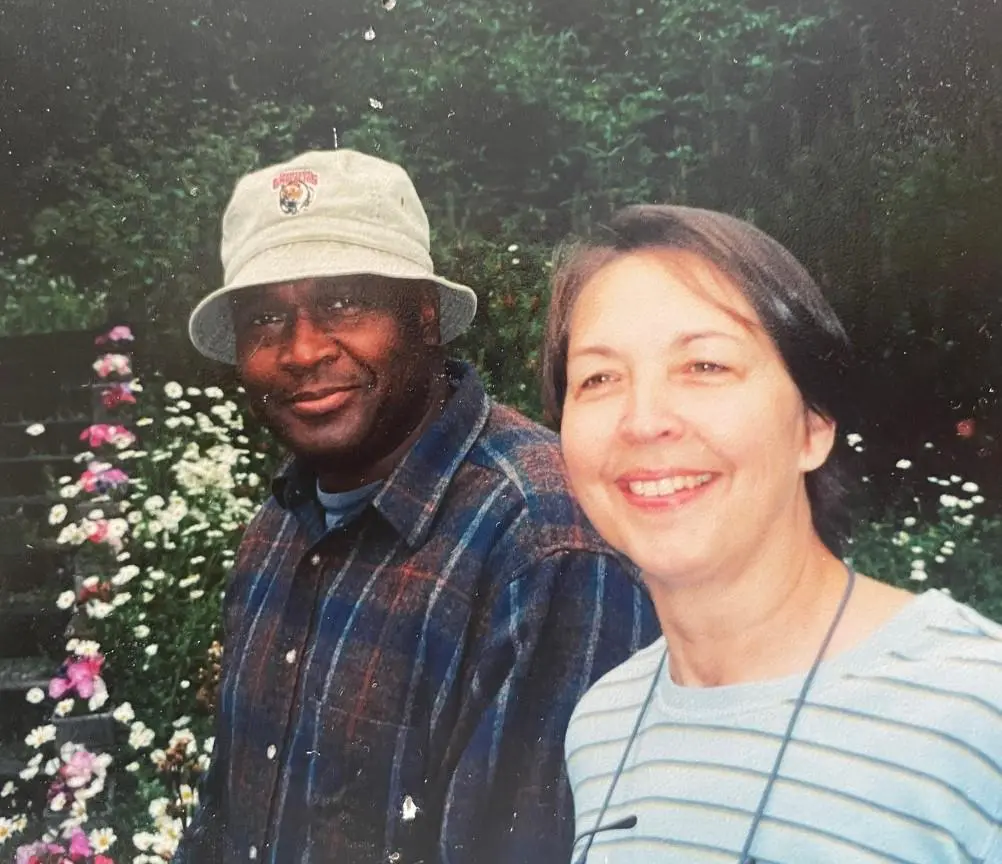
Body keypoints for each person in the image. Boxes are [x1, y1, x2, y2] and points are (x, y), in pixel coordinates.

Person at [174, 150, 658, 864]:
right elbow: (225, 821)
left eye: (342, 302)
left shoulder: (545, 543)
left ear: (425, 317)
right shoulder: (278, 528)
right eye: (266, 318)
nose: (302, 349)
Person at [543, 205, 1002, 863]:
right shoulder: (602, 726)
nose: (643, 421)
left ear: (814, 424)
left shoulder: (976, 710)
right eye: (599, 378)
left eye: (704, 366)